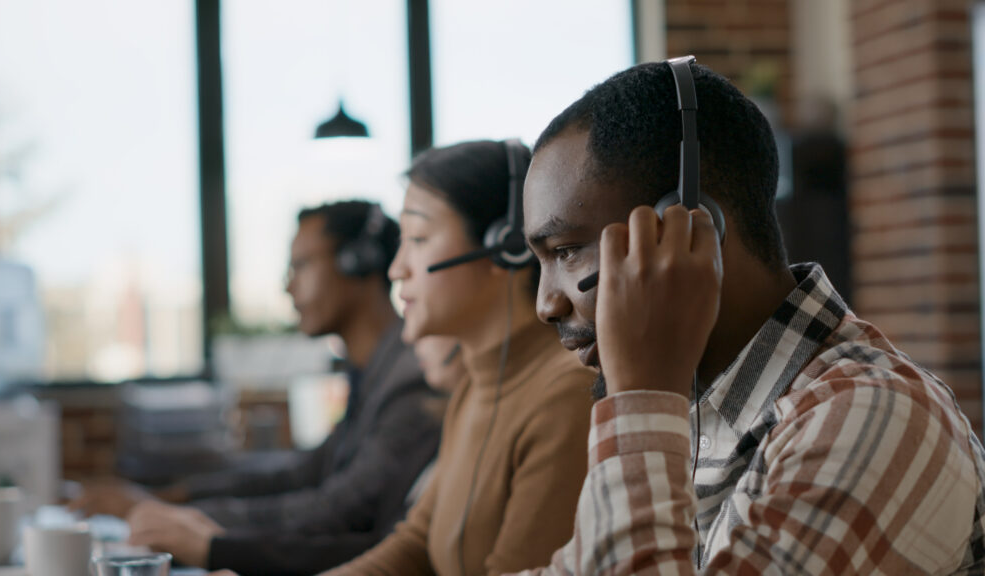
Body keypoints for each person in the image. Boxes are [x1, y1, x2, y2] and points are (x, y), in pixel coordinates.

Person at [511, 59, 985, 574]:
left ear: (692, 230)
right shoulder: (694, 410)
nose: (545, 304)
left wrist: (642, 396)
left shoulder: (874, 417)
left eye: (567, 251)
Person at [73, 200, 445, 572]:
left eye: (301, 265)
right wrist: (174, 498)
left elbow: (339, 510)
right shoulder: (371, 373)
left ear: (356, 262)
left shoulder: (411, 378)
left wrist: (193, 527)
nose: (288, 286)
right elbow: (302, 474)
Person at [321, 140, 595, 576]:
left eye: (420, 239)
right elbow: (415, 544)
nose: (396, 270)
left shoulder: (565, 396)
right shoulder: (474, 383)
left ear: (503, 246)